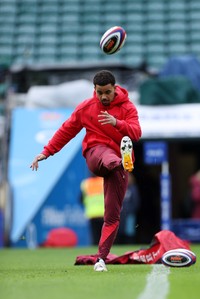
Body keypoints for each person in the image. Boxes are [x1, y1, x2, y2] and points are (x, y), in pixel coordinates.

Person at [30, 70, 142, 271]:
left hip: (119, 168)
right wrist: (46, 152)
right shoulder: (86, 108)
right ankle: (119, 160)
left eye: (107, 92)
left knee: (113, 216)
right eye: (100, 92)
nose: (104, 97)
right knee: (106, 155)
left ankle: (101, 259)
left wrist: (117, 123)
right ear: (95, 90)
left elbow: (136, 132)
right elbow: (66, 131)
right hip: (96, 154)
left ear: (115, 89)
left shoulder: (127, 107)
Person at [116, 173, 140, 244]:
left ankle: (130, 244)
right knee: (119, 231)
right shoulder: (119, 188)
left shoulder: (133, 189)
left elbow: (136, 201)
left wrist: (130, 210)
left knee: (129, 231)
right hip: (120, 214)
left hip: (129, 214)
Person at [80, 175, 104, 245]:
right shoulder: (103, 181)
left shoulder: (86, 183)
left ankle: (96, 254)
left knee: (95, 237)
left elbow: (80, 199)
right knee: (105, 236)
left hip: (92, 213)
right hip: (104, 213)